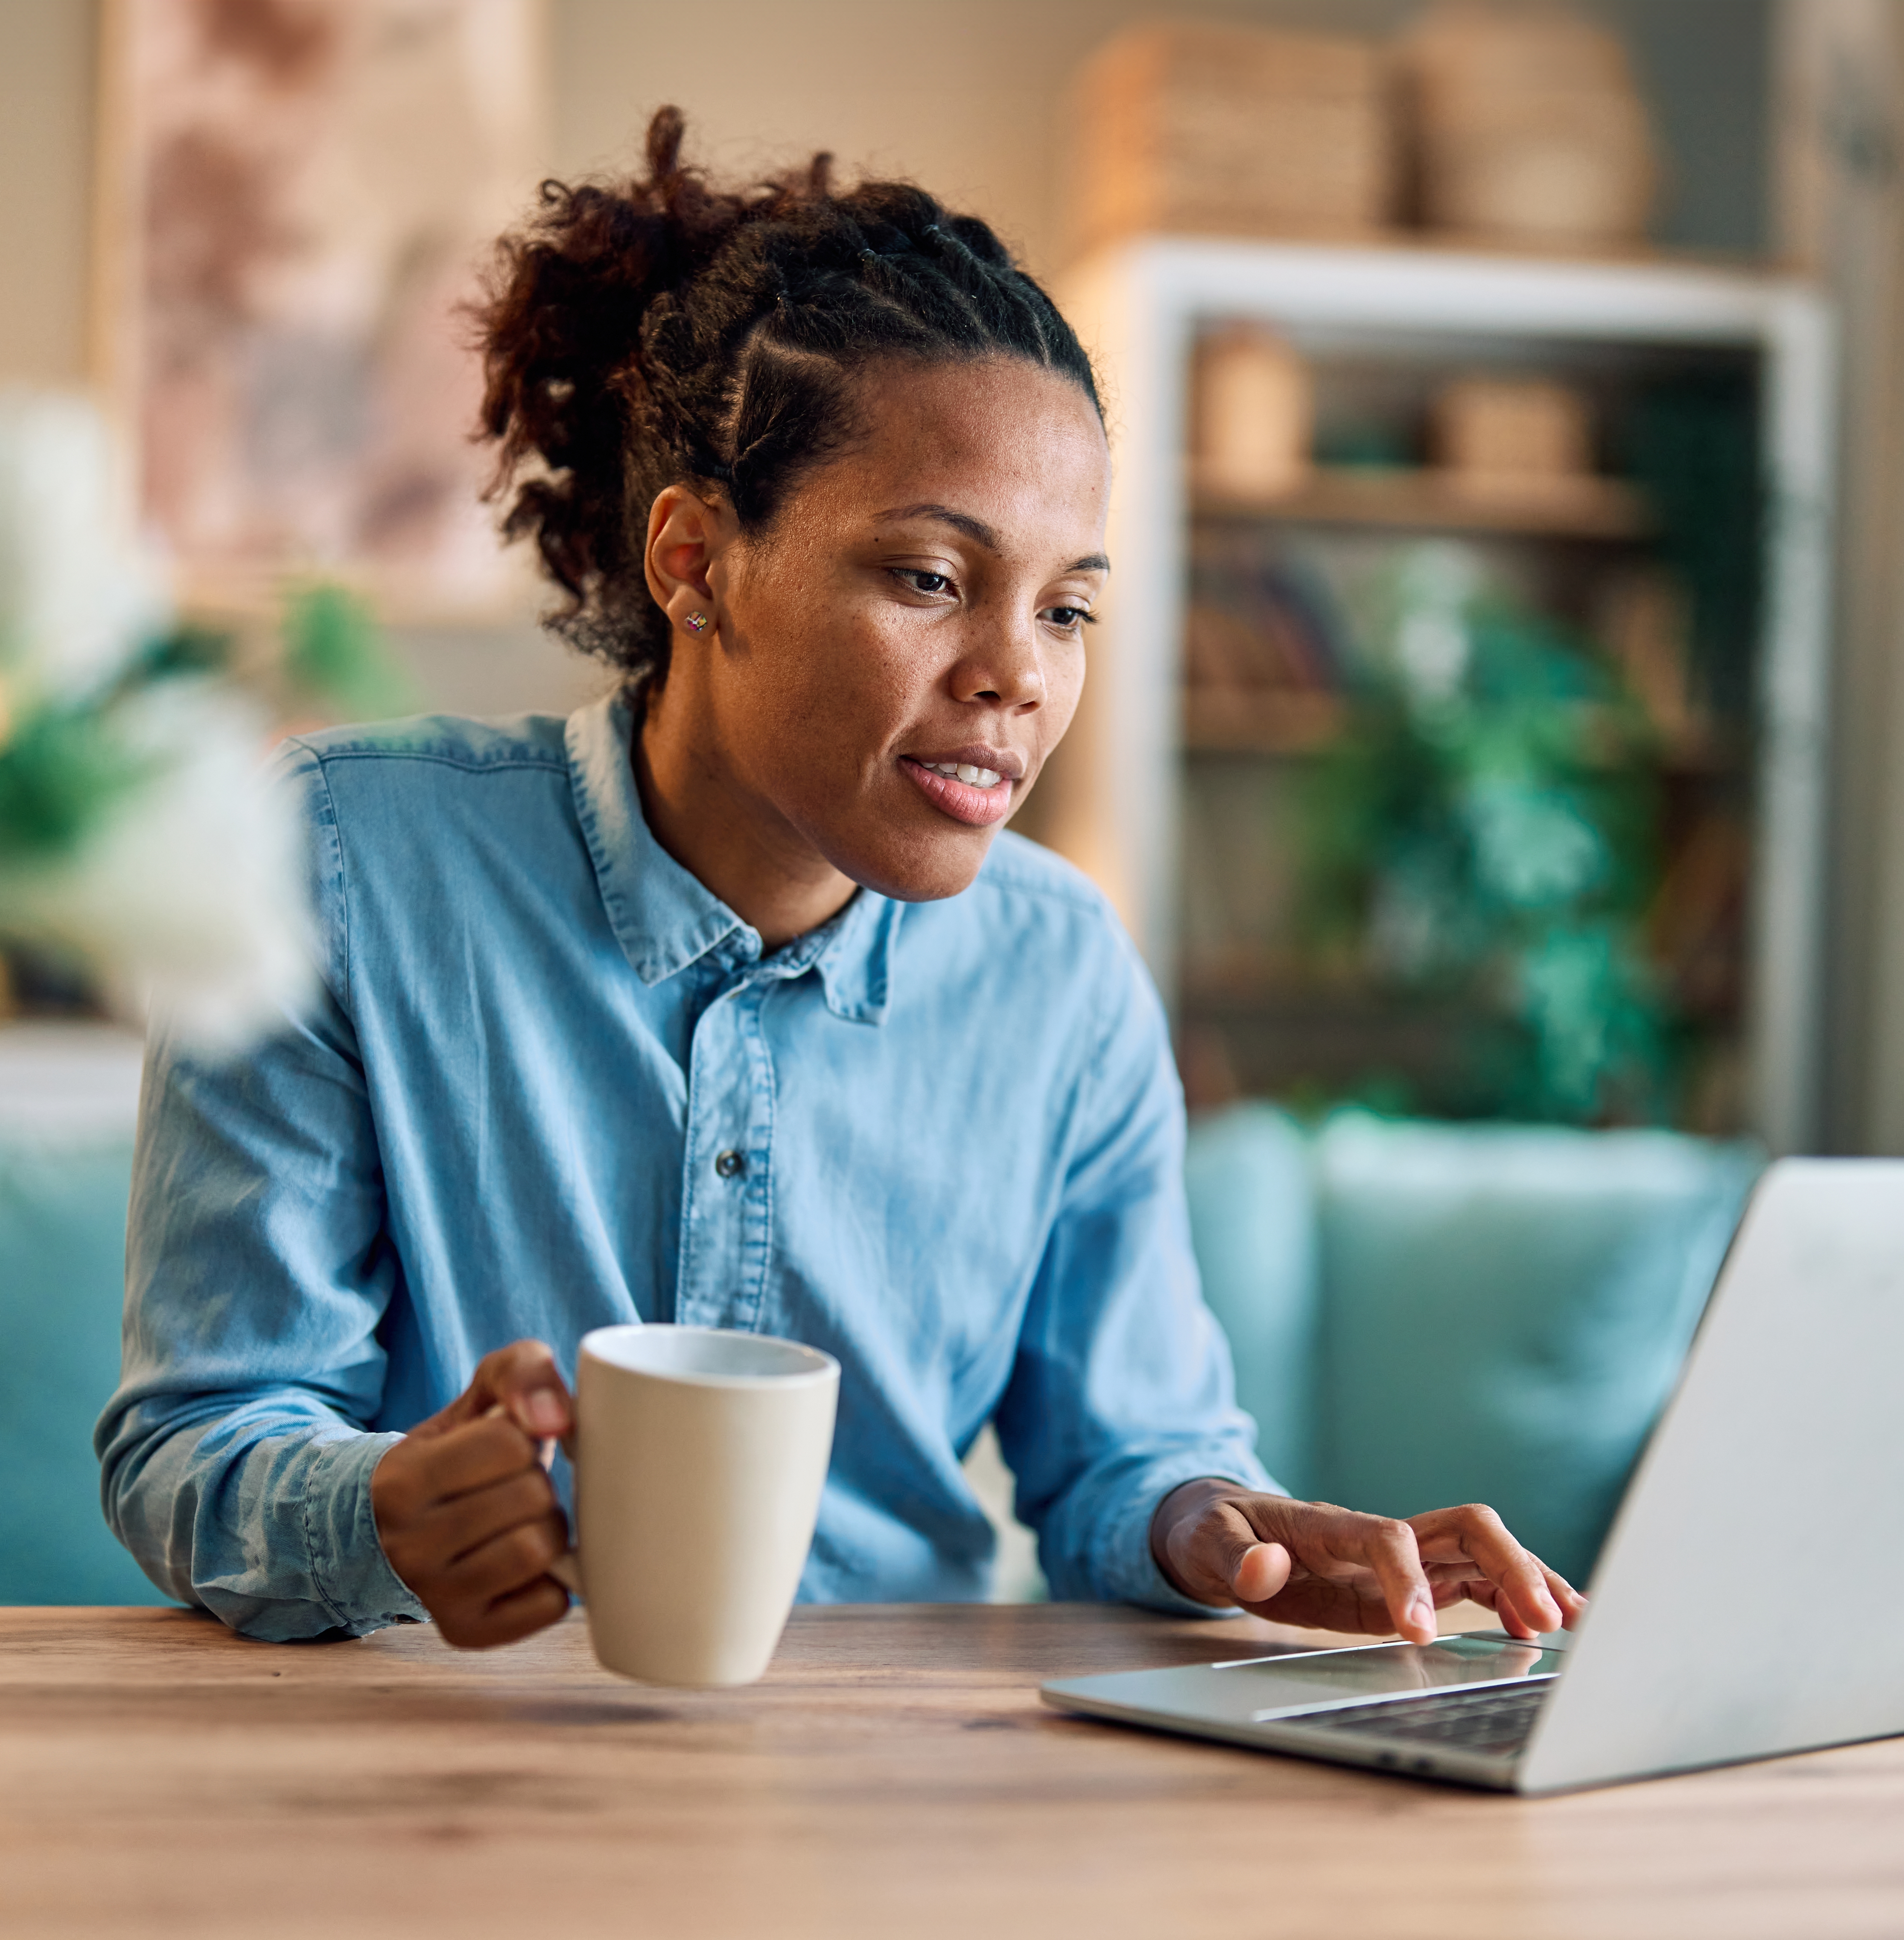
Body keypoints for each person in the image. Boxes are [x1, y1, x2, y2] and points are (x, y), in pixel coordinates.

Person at [99, 109, 1583, 1653]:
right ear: (694, 560)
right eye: (932, 579)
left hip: (901, 1793)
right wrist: (377, 1506)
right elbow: (196, 1438)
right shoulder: (348, 866)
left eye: (1068, 609)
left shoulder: (1063, 975)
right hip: (452, 1774)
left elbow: (1123, 1454)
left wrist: (1226, 1526)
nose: (1016, 674)